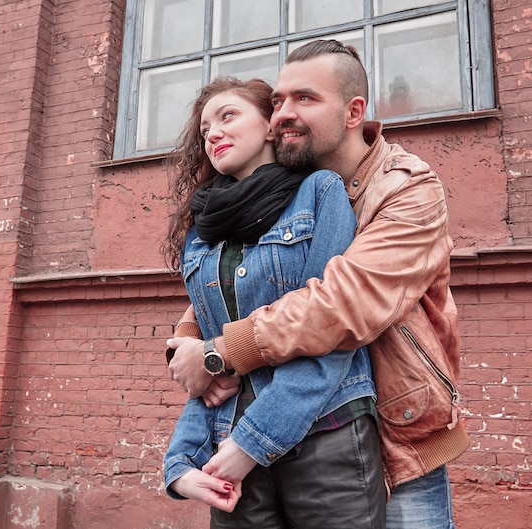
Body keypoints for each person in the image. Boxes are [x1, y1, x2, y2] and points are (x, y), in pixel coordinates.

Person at [167, 40, 471, 529]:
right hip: (297, 430)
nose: (283, 114)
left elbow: (341, 304)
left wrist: (218, 352)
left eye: (304, 99)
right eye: (279, 100)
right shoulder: (286, 190)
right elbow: (236, 286)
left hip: (399, 438)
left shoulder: (407, 188)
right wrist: (188, 343)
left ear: (353, 112)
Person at [162, 76, 385, 528]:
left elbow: (332, 329)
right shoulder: (200, 233)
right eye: (205, 130)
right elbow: (208, 365)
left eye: (228, 116)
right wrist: (181, 464)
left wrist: (253, 442)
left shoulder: (319, 192)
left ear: (269, 126)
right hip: (229, 448)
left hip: (327, 431)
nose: (213, 134)